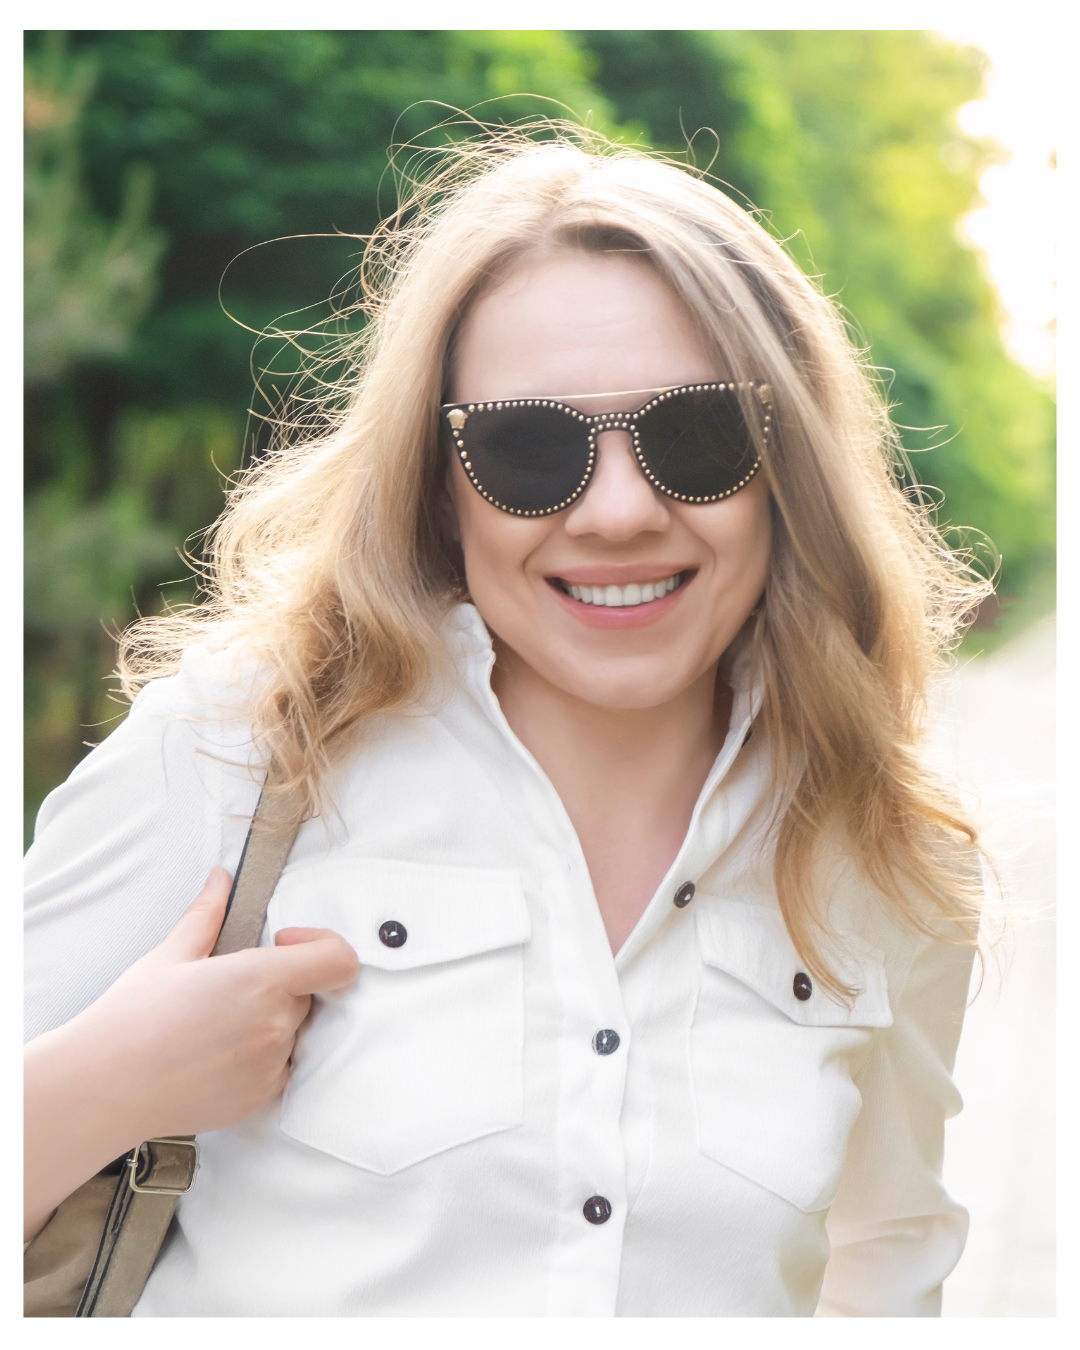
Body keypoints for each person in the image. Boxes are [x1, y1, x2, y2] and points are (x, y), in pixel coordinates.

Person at [23, 129, 985, 1318]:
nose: (622, 511)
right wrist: (95, 1087)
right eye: (531, 450)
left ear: (787, 459)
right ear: (439, 476)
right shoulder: (235, 751)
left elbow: (891, 1253)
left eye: (698, 437)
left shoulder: (891, 856)